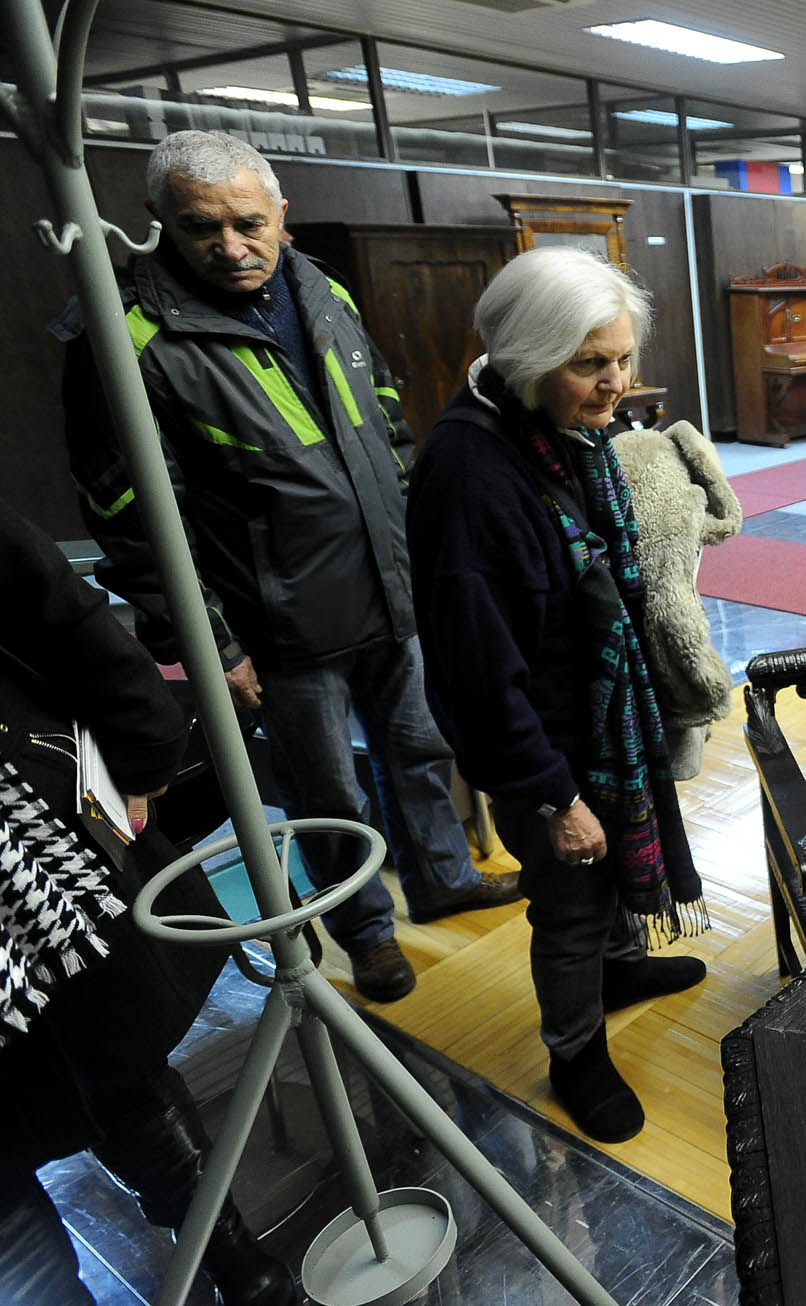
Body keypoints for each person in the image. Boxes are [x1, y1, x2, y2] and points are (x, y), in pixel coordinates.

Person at [59, 130, 517, 1004]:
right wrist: (211, 642)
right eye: (202, 228)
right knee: (326, 790)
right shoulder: (125, 337)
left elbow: (386, 421)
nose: (230, 245)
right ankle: (366, 933)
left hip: (388, 586)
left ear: (280, 216)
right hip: (277, 622)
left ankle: (443, 878)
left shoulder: (320, 286)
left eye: (247, 222)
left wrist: (420, 553)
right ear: (159, 222)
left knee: (421, 748)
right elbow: (127, 515)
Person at [406, 247, 710, 1143]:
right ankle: (574, 1051)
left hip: (592, 715)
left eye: (620, 357)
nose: (615, 382)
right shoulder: (470, 474)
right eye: (589, 363)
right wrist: (551, 794)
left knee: (613, 878)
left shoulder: (552, 431)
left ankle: (619, 971)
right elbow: (473, 674)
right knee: (571, 907)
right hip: (541, 741)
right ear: (528, 357)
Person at [0, 499, 294, 1306]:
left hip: (31, 857)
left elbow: (58, 610)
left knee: (112, 1057)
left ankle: (228, 1251)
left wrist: (142, 752)